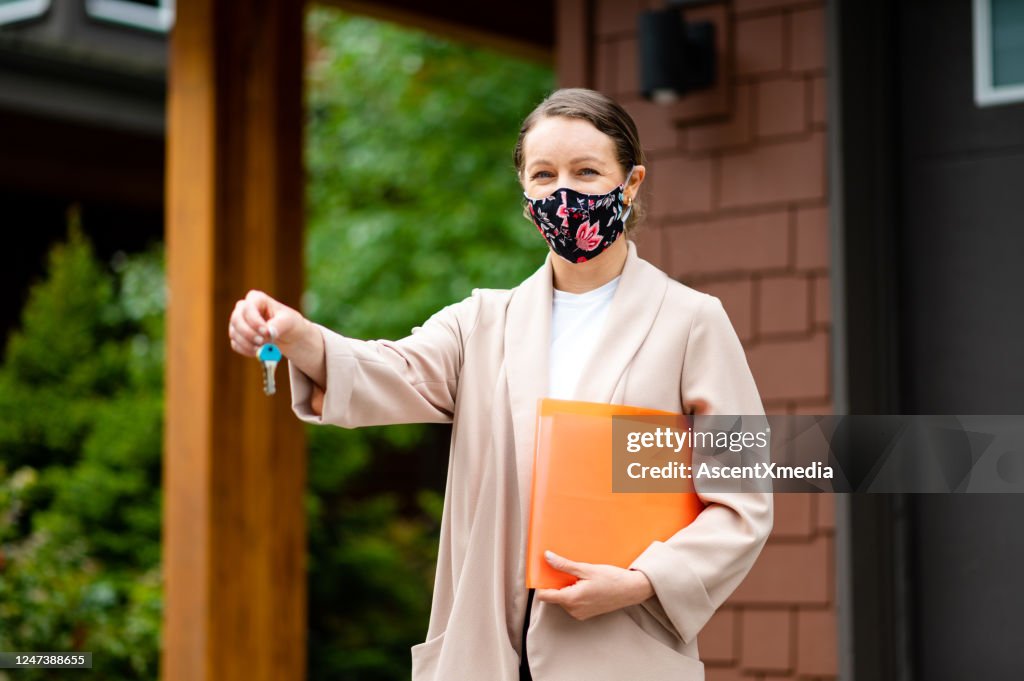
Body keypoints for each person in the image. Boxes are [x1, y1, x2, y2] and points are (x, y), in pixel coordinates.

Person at [228, 88, 773, 681]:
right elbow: (391, 370)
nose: (564, 193)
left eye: (587, 171)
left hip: (621, 650)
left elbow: (742, 503)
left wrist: (641, 583)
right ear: (524, 194)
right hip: (484, 655)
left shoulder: (693, 321)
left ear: (632, 182)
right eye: (544, 175)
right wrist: (300, 335)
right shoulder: (480, 321)